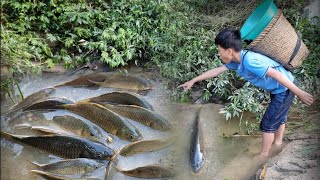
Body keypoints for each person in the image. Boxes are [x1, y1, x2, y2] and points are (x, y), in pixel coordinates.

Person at [178, 27, 314, 156]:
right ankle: (278, 144)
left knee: (267, 124)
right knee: (278, 117)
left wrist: (299, 92)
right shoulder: (237, 61)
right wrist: (193, 81)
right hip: (279, 88)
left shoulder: (249, 61)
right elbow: (217, 71)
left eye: (219, 50)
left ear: (229, 51)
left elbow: (277, 75)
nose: (219, 53)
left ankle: (264, 155)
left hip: (284, 88)